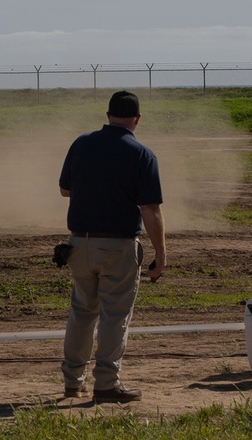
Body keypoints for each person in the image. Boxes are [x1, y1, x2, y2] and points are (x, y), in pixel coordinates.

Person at [57, 90, 166, 403]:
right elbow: (150, 210)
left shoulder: (81, 144)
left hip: (78, 243)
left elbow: (65, 190)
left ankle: (73, 381)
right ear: (137, 119)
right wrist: (160, 253)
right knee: (114, 316)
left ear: (107, 115)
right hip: (117, 247)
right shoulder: (142, 154)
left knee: (81, 312)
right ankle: (106, 383)